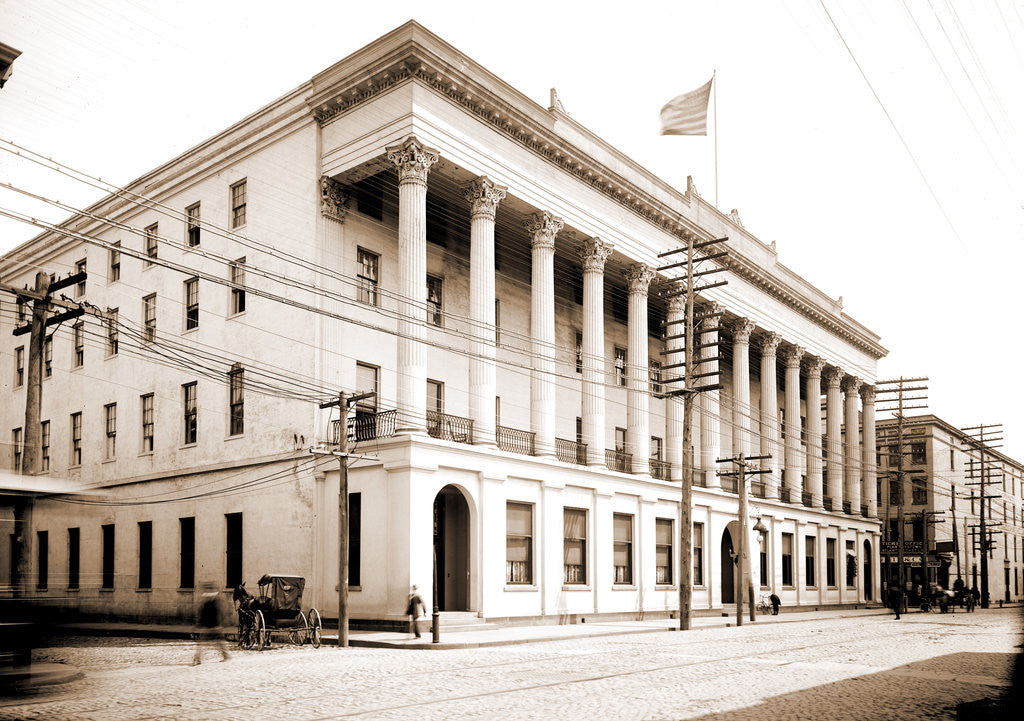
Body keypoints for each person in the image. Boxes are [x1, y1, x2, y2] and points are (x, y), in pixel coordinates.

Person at [193, 582, 230, 665]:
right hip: (209, 626)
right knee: (216, 642)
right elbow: (202, 615)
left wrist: (200, 624)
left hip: (213, 626)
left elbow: (218, 614)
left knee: (218, 643)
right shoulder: (209, 603)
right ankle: (197, 658)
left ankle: (226, 656)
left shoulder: (213, 603)